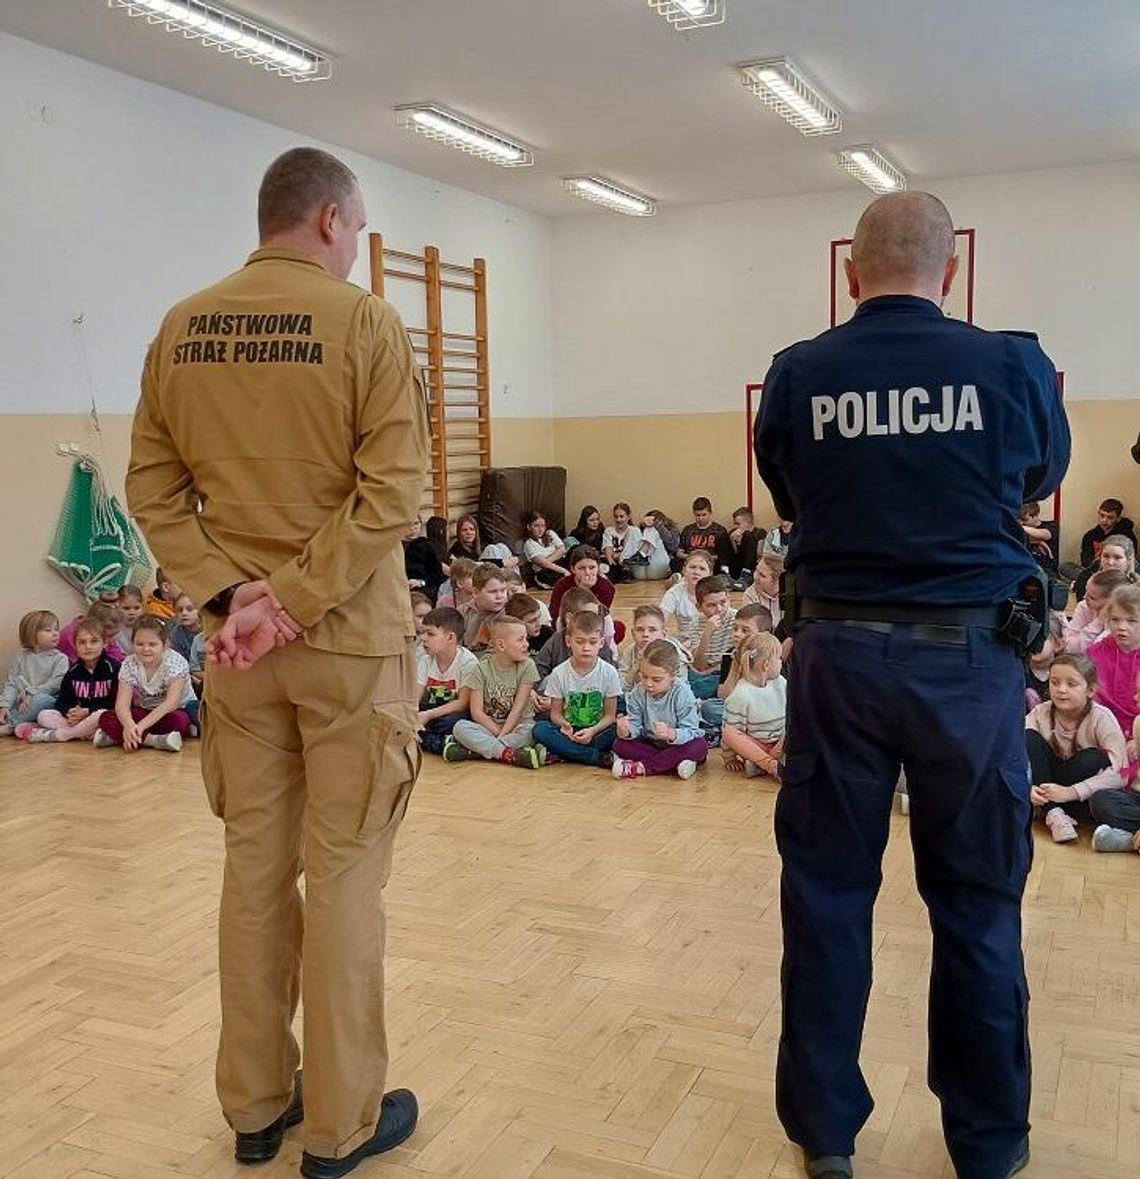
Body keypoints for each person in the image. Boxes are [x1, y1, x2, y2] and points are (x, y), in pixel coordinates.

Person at [125, 147, 428, 1175]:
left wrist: (228, 598)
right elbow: (392, 499)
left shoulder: (181, 326)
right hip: (347, 648)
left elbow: (154, 493)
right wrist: (293, 602)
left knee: (254, 873)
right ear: (336, 221)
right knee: (342, 879)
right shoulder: (366, 323)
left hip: (236, 655)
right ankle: (339, 1126)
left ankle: (255, 1106)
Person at [754, 190, 1069, 1179]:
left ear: (852, 271)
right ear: (951, 272)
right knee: (977, 907)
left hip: (839, 664)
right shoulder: (1011, 365)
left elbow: (793, 493)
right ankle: (987, 1143)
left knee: (827, 897)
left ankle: (828, 1135)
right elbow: (1034, 479)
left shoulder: (799, 374)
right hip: (969, 669)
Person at [1025, 652, 1127, 843]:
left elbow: (1121, 772)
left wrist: (1071, 792)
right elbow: (1013, 752)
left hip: (1077, 796)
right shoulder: (1040, 712)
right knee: (1028, 737)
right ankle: (1053, 812)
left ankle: (1050, 810)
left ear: (1090, 690)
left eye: (1071, 684)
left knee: (1093, 757)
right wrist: (1027, 786)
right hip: (1043, 787)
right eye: (1054, 682)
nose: (1061, 690)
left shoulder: (1101, 717)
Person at [444, 616, 542, 769]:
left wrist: (503, 735)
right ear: (501, 645)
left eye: (526, 639)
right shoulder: (480, 669)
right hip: (489, 727)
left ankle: (474, 751)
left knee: (532, 731)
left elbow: (518, 709)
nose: (526, 644)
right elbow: (476, 712)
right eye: (520, 640)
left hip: (519, 725)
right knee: (460, 727)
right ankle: (507, 753)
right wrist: (498, 732)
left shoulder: (527, 666)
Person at [533, 610, 622, 768]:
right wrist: (565, 725)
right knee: (540, 729)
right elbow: (555, 714)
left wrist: (592, 731)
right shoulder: (559, 673)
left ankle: (566, 753)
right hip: (570, 731)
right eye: (580, 642)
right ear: (569, 641)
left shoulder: (609, 672)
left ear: (601, 643)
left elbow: (610, 716)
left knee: (620, 729)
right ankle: (595, 757)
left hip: (598, 731)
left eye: (592, 642)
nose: (586, 648)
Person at [612, 639, 707, 780]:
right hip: (651, 743)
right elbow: (636, 726)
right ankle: (675, 764)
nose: (648, 684)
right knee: (619, 744)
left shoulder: (682, 693)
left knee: (700, 746)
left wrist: (671, 734)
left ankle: (641, 767)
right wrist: (625, 731)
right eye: (644, 677)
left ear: (673, 675)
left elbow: (691, 730)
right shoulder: (638, 692)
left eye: (656, 679)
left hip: (679, 744)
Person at [95, 615, 193, 751]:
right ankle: (155, 740)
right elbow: (122, 705)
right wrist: (129, 725)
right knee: (106, 718)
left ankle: (117, 737)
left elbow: (171, 703)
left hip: (171, 711)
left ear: (165, 645)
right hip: (144, 711)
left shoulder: (175, 663)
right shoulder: (129, 664)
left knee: (180, 721)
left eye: (152, 644)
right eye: (139, 644)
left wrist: (140, 727)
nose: (145, 649)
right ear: (133, 643)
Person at [15, 618, 121, 743]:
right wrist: (70, 712)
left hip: (101, 716)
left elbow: (117, 703)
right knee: (44, 715)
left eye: (94, 641)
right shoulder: (72, 672)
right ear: (75, 645)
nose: (88, 647)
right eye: (82, 642)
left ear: (104, 643)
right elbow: (61, 702)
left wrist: (87, 711)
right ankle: (85, 732)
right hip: (79, 719)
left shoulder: (114, 668)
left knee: (102, 714)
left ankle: (63, 734)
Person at [721, 631, 786, 778]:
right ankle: (772, 765)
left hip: (781, 742)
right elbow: (732, 728)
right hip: (756, 745)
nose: (782, 662)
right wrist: (729, 758)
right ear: (767, 665)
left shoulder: (781, 682)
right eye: (779, 658)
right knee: (730, 733)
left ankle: (762, 764)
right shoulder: (741, 694)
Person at [415, 606, 476, 755]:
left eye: (430, 634)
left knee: (456, 721)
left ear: (450, 638)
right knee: (405, 715)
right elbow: (414, 697)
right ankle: (439, 742)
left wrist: (427, 715)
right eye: (423, 633)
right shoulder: (425, 660)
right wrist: (412, 716)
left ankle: (428, 740)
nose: (423, 638)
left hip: (453, 711)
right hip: (433, 709)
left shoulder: (468, 662)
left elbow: (462, 703)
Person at [0, 610, 67, 737]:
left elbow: (56, 684)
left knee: (41, 700)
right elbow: (12, 684)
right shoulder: (21, 658)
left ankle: (10, 724)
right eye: (48, 630)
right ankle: (12, 718)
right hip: (22, 703)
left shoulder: (60, 658)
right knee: (5, 699)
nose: (55, 633)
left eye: (56, 629)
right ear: (32, 634)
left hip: (47, 700)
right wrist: (5, 705)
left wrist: (32, 693)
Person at [1088, 584, 1140, 738]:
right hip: (1102, 731)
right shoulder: (1094, 653)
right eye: (1115, 620)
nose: (1121, 627)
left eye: (1132, 621)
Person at [1062, 568, 1128, 654]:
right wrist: (1098, 621)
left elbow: (1098, 654)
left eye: (1092, 597)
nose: (1084, 597)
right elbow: (1070, 648)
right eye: (1086, 591)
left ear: (1111, 601)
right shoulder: (1084, 606)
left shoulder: (1123, 619)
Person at [1072, 532, 1137, 601]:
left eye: (1117, 558)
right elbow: (1082, 604)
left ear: (1128, 560)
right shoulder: (1087, 578)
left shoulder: (1135, 585)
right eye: (1106, 556)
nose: (1110, 562)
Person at [674, 497, 729, 573]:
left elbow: (723, 556)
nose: (700, 518)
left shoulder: (720, 531)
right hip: (691, 561)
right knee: (674, 563)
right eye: (698, 515)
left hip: (711, 562)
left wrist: (706, 558)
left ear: (710, 513)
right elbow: (679, 553)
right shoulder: (688, 530)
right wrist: (692, 557)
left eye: (704, 515)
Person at [1079, 498, 1137, 570]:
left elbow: (1131, 559)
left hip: (1119, 572)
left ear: (1118, 518)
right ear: (1098, 513)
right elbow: (1085, 561)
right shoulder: (1090, 536)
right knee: (1066, 566)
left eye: (1110, 517)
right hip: (1096, 571)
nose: (1104, 520)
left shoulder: (1126, 535)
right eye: (1102, 515)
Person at [521, 511, 569, 589]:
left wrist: (546, 561)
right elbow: (542, 564)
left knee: (574, 549)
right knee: (544, 576)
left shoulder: (550, 533)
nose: (540, 529)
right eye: (536, 526)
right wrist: (564, 571)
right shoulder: (529, 544)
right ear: (529, 527)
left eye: (543, 526)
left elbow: (562, 550)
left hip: (560, 563)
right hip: (546, 571)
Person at [403, 518, 445, 602]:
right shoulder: (395, 547)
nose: (412, 528)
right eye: (408, 524)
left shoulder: (427, 546)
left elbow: (437, 575)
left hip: (421, 589)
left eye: (416, 523)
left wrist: (421, 582)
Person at [602, 501, 642, 583]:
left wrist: (618, 556)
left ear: (628, 517)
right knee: (606, 573)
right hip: (614, 563)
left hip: (630, 565)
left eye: (621, 516)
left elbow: (636, 551)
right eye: (616, 517)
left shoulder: (634, 531)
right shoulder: (608, 531)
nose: (618, 519)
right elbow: (608, 550)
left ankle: (625, 571)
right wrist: (611, 560)